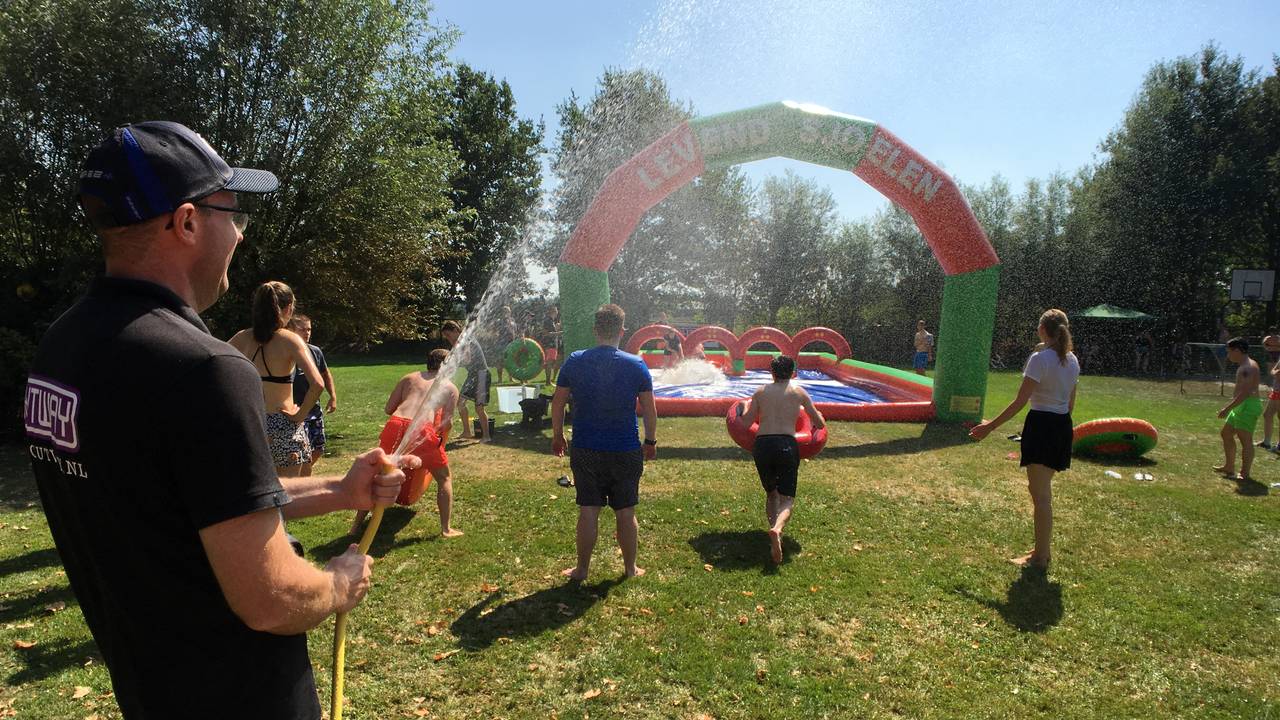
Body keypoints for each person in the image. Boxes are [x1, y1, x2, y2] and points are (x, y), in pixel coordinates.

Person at [23, 120, 415, 719]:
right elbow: (272, 598)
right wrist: (337, 583)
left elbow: (198, 503)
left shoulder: (62, 347)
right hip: (242, 697)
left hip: (150, 689)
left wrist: (341, 489)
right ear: (186, 222)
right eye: (233, 214)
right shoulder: (203, 368)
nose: (239, 234)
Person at [551, 304, 657, 580]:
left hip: (586, 447)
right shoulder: (636, 364)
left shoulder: (575, 360)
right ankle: (630, 569)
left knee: (588, 510)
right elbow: (649, 408)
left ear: (595, 330)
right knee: (626, 511)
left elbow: (558, 402)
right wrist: (650, 441)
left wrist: (557, 435)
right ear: (622, 330)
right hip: (625, 449)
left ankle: (582, 570)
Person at [969, 309, 1079, 572]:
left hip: (1041, 426)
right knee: (1043, 493)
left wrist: (989, 427)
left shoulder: (1039, 360)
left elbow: (1020, 401)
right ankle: (1042, 550)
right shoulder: (1072, 359)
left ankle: (1040, 557)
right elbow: (1070, 404)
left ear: (1041, 330)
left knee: (1040, 496)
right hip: (1061, 425)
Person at [351, 349, 462, 538]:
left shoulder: (409, 378)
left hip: (395, 424)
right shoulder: (449, 387)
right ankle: (446, 529)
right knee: (444, 478)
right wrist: (441, 442)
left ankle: (355, 527)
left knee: (379, 474)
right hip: (421, 428)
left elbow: (389, 409)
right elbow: (447, 423)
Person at [229, 281, 325, 477]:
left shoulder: (241, 338)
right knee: (291, 492)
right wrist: (300, 415)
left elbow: (213, 367)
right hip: (282, 425)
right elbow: (317, 384)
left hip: (250, 423)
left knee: (256, 489)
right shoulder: (290, 340)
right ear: (288, 308)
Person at [739, 355, 825, 564]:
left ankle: (773, 533)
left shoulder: (760, 392)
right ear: (793, 372)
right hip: (786, 444)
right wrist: (820, 417)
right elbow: (819, 423)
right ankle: (777, 529)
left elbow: (746, 423)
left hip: (763, 444)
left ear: (772, 373)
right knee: (787, 498)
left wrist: (743, 408)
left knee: (771, 494)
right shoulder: (798, 392)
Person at [288, 313, 338, 474]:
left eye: (309, 329)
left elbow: (325, 374)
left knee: (318, 448)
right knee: (300, 451)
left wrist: (333, 396)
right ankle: (303, 477)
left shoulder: (315, 351)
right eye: (302, 329)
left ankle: (303, 474)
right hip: (294, 410)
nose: (307, 333)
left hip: (314, 409)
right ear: (291, 330)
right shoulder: (285, 353)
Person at [1214, 337, 1262, 481]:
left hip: (1248, 406)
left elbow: (1246, 393)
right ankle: (1229, 467)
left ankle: (1244, 473)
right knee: (1226, 433)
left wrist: (1227, 409)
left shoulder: (1248, 367)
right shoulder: (1245, 365)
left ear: (1237, 350)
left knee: (1245, 440)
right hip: (1241, 405)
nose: (1228, 355)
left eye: (1229, 352)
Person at [494, 305, 519, 384]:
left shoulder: (512, 320)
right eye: (504, 311)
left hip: (511, 343)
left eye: (508, 311)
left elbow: (515, 331)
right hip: (501, 343)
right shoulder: (499, 321)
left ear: (510, 312)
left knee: (511, 360)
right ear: (502, 312)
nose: (506, 313)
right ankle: (500, 379)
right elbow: (495, 331)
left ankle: (511, 378)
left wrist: (515, 339)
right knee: (500, 361)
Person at [542, 304, 562, 383]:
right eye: (556, 310)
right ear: (552, 311)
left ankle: (548, 381)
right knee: (549, 363)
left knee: (551, 362)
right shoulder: (548, 321)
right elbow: (546, 333)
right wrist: (559, 333)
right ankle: (548, 382)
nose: (557, 312)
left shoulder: (552, 321)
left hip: (552, 344)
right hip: (550, 344)